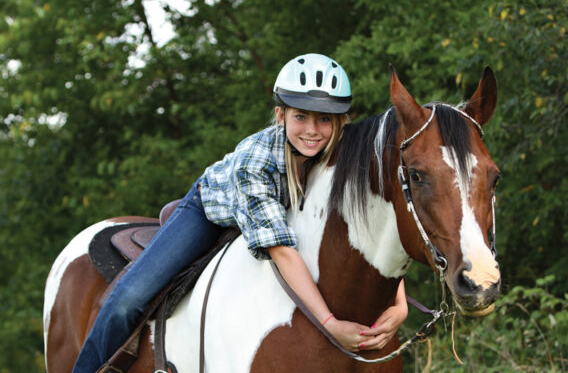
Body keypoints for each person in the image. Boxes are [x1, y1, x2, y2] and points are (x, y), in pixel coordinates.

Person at [72, 53, 408, 372]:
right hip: (212, 209)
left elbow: (369, 230)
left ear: (341, 121)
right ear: (281, 116)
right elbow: (281, 250)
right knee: (129, 298)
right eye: (300, 117)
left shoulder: (343, 156)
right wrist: (330, 324)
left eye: (324, 120)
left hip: (283, 215)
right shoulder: (255, 161)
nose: (311, 130)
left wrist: (399, 305)